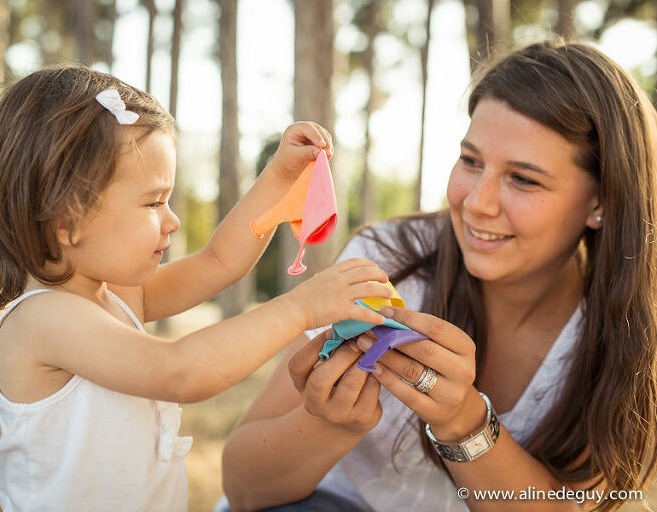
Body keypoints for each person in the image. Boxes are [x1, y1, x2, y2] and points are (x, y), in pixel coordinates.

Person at [220, 40, 657, 512]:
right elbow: (244, 488)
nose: (476, 202)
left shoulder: (626, 337)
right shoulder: (388, 262)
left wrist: (464, 422)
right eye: (471, 161)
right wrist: (332, 424)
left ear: (601, 202)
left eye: (524, 179)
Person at [0, 66, 394, 512]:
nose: (172, 220)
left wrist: (280, 177)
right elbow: (180, 372)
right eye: (153, 202)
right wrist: (301, 308)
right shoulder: (44, 320)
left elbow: (220, 260)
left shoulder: (114, 295)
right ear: (67, 222)